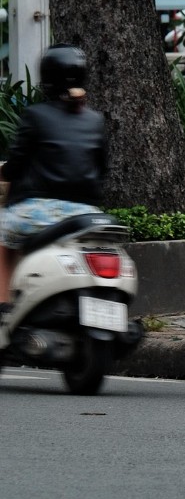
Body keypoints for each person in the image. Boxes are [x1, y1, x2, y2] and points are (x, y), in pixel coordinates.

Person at [0, 44, 108, 312]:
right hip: (86, 214)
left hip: (38, 211)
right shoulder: (94, 120)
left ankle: (3, 308)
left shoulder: (36, 115)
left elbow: (15, 166)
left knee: (2, 241)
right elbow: (101, 168)